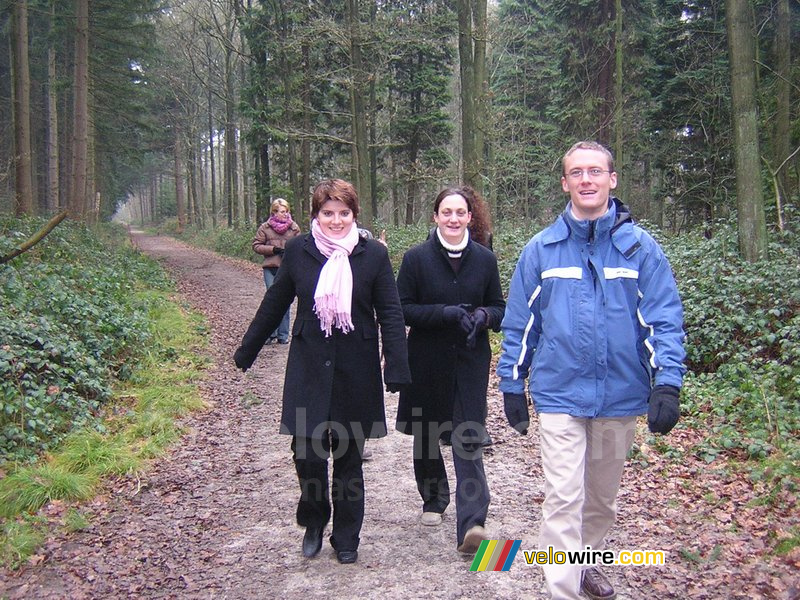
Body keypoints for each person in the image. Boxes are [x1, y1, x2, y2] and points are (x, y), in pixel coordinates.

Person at [496, 141, 686, 599]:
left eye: (595, 171)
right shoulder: (541, 250)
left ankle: (583, 564)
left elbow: (663, 318)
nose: (586, 179)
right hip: (560, 394)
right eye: (576, 172)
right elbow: (521, 323)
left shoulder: (641, 249)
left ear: (611, 180)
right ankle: (562, 590)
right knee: (564, 497)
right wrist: (511, 382)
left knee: (600, 501)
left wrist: (668, 383)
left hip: (620, 396)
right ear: (565, 183)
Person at [234, 179, 411, 564]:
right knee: (308, 455)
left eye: (343, 213)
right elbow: (275, 301)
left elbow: (391, 312)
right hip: (309, 365)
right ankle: (314, 519)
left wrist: (396, 363)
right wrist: (248, 348)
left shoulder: (373, 256)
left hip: (356, 367)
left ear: (354, 214)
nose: (335, 221)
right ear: (315, 215)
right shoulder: (299, 250)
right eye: (327, 213)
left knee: (349, 458)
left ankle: (347, 537)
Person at [395, 186, 505, 555]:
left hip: (470, 360)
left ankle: (472, 523)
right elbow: (401, 309)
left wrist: (484, 315)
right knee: (427, 434)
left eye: (460, 212)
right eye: (447, 212)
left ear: (470, 217)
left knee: (467, 437)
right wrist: (442, 313)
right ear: (436, 217)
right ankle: (433, 498)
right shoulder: (416, 259)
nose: (454, 219)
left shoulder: (485, 260)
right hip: (426, 358)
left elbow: (499, 308)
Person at [252, 198, 302, 344]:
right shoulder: (265, 227)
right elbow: (256, 246)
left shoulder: (294, 228)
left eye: (287, 211)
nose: (285, 214)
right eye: (282, 211)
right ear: (274, 212)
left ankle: (283, 335)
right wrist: (272, 250)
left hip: (287, 269)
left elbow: (300, 246)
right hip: (270, 268)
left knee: (285, 300)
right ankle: (270, 333)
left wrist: (290, 251)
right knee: (271, 301)